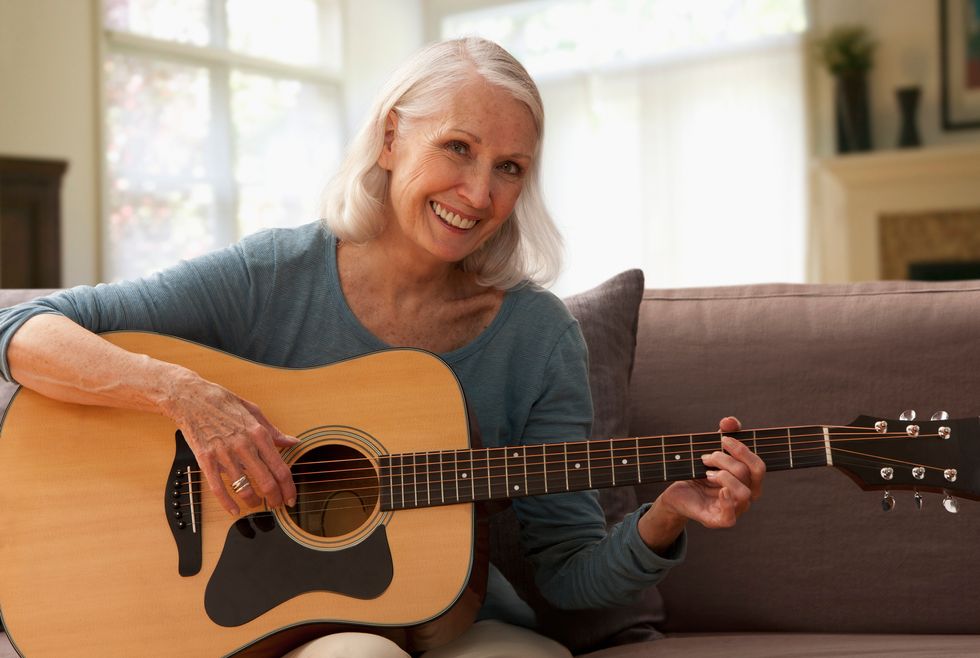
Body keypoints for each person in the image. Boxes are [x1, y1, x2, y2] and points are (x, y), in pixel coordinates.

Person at [0, 38, 764, 657]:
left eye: (509, 168)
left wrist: (663, 518)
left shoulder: (536, 337)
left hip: (452, 618)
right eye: (458, 147)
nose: (479, 193)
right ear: (393, 136)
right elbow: (23, 330)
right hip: (286, 628)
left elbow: (566, 576)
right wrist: (185, 395)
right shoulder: (272, 276)